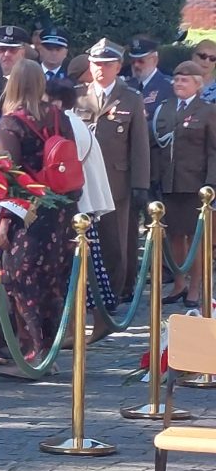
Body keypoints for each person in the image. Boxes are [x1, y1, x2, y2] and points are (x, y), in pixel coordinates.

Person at [0, 61, 78, 373]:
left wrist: (3, 221)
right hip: (61, 210)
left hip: (27, 211)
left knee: (21, 282)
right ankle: (50, 352)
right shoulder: (59, 117)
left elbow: (10, 175)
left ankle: (32, 355)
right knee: (53, 282)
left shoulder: (10, 124)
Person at [74, 38, 150, 302]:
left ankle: (117, 292)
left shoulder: (131, 98)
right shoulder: (78, 95)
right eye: (95, 63)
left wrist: (141, 184)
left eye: (106, 65)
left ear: (118, 67)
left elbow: (140, 145)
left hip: (116, 178)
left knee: (116, 239)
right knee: (84, 237)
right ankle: (86, 291)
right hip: (82, 179)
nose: (99, 69)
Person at [46, 78, 117, 344]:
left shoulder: (67, 125)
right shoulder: (73, 122)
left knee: (85, 270)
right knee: (85, 268)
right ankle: (78, 327)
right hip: (83, 204)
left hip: (78, 206)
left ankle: (91, 323)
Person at [152, 61, 216, 308]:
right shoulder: (166, 108)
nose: (179, 84)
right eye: (177, 79)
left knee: (196, 237)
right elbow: (158, 145)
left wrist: (210, 184)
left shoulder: (207, 111)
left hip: (195, 184)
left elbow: (213, 150)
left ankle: (195, 287)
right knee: (175, 236)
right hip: (170, 182)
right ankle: (179, 283)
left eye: (185, 80)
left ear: (198, 85)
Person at [127, 38, 173, 121]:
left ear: (155, 60)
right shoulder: (126, 86)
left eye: (141, 61)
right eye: (133, 61)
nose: (136, 65)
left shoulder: (169, 87)